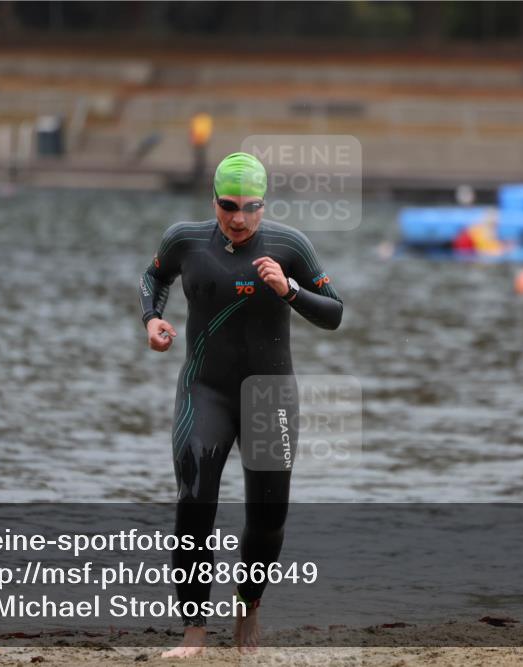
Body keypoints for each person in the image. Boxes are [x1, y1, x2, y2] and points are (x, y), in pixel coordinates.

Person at [137, 152, 343, 656]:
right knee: (194, 499)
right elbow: (154, 276)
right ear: (214, 201)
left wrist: (289, 289)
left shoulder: (290, 246)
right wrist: (151, 319)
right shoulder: (185, 240)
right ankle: (193, 632)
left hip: (269, 395)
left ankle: (247, 610)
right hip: (204, 390)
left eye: (251, 207)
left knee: (268, 516)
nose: (239, 218)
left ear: (263, 206)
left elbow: (334, 313)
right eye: (229, 205)